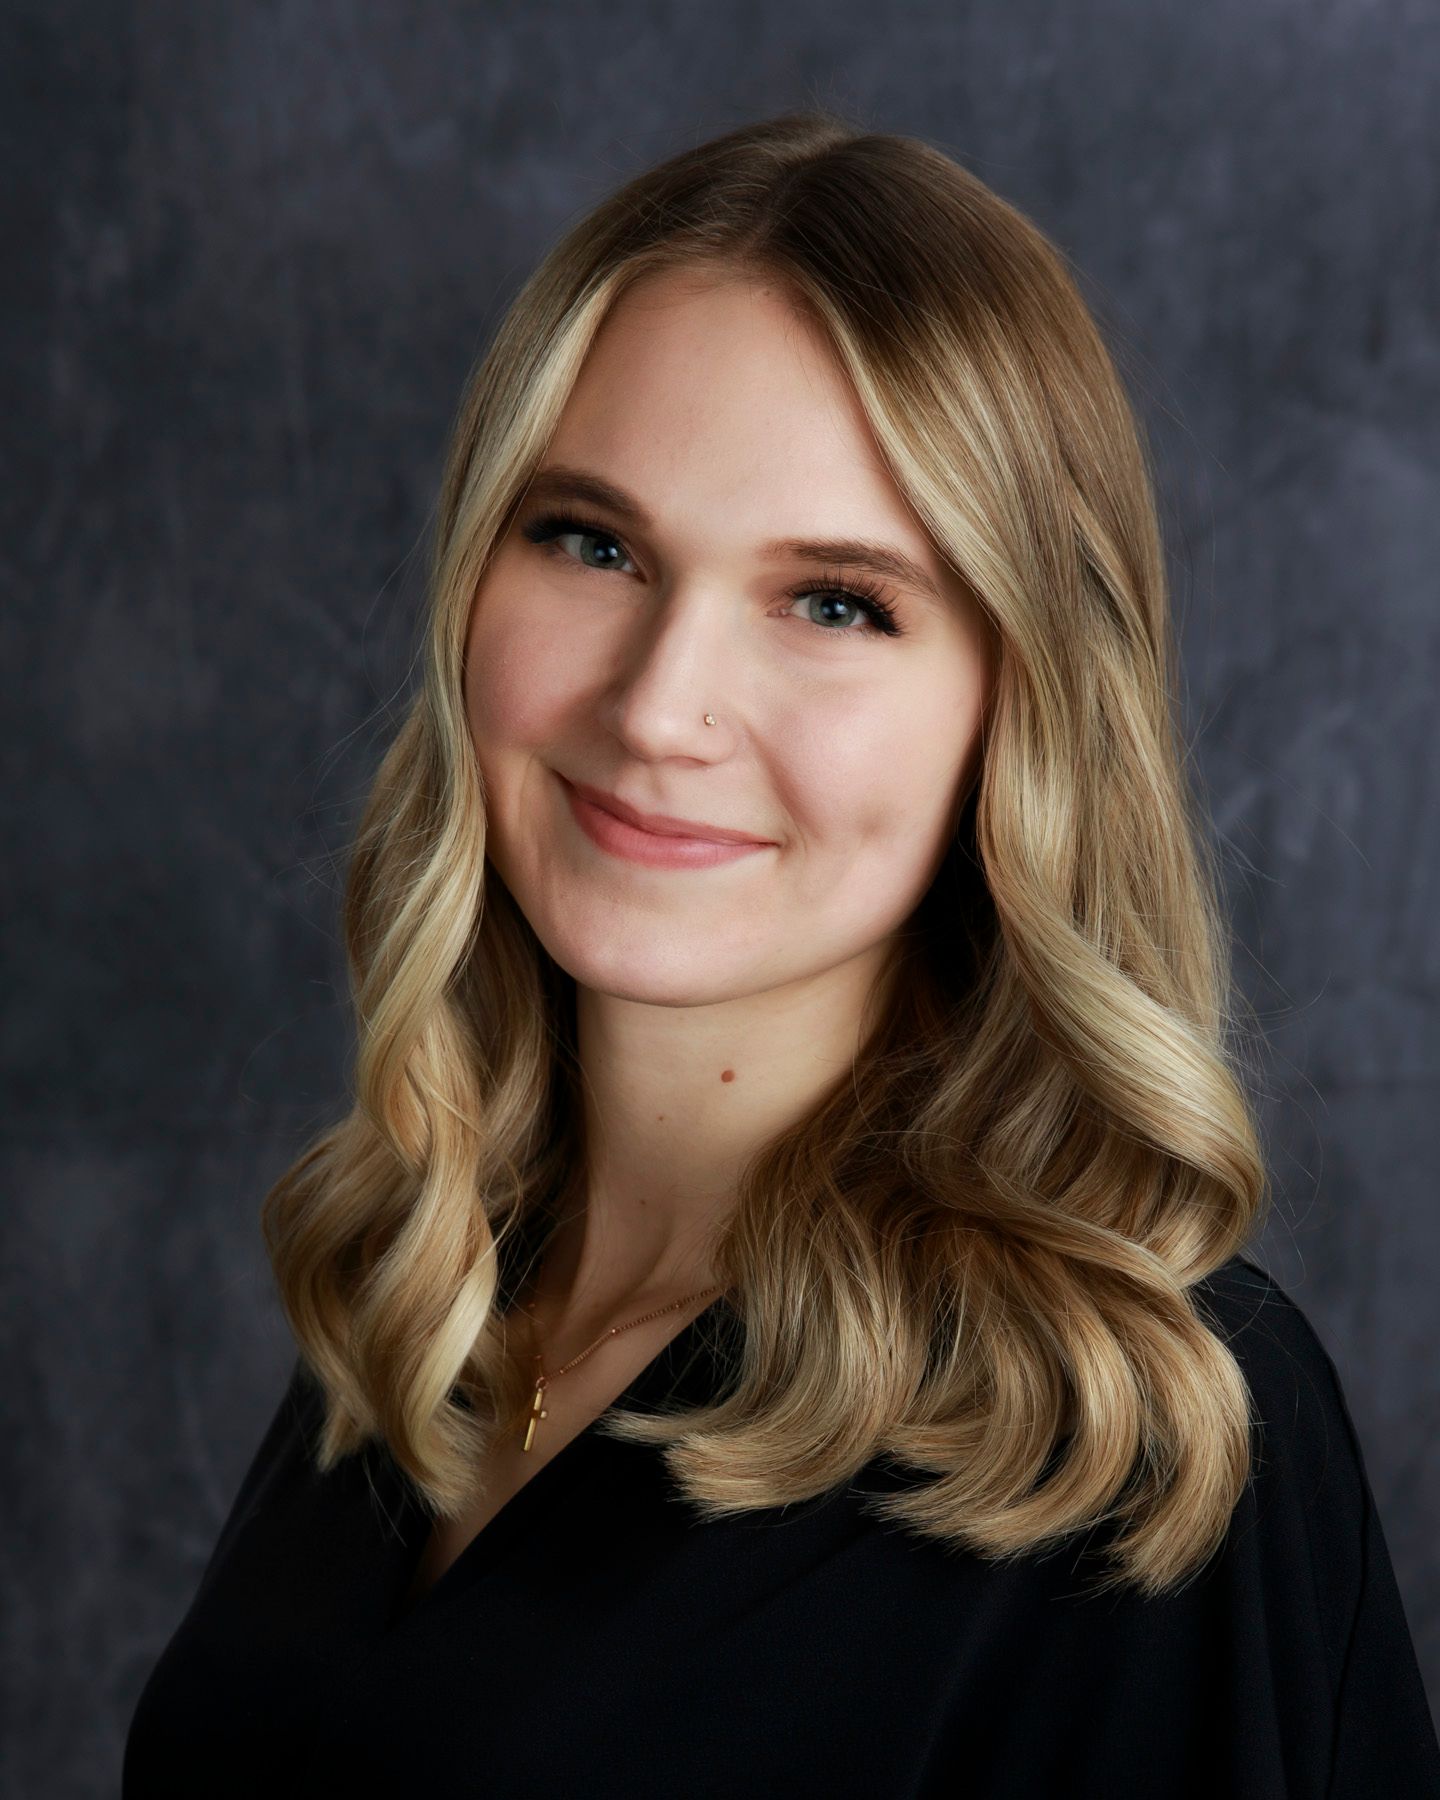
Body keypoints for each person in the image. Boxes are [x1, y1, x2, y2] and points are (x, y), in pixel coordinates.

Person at [122, 109, 1440, 1797]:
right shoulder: (430, 1302)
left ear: (1021, 712)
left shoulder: (1130, 1439)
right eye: (592, 542)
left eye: (834, 602)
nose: (659, 708)